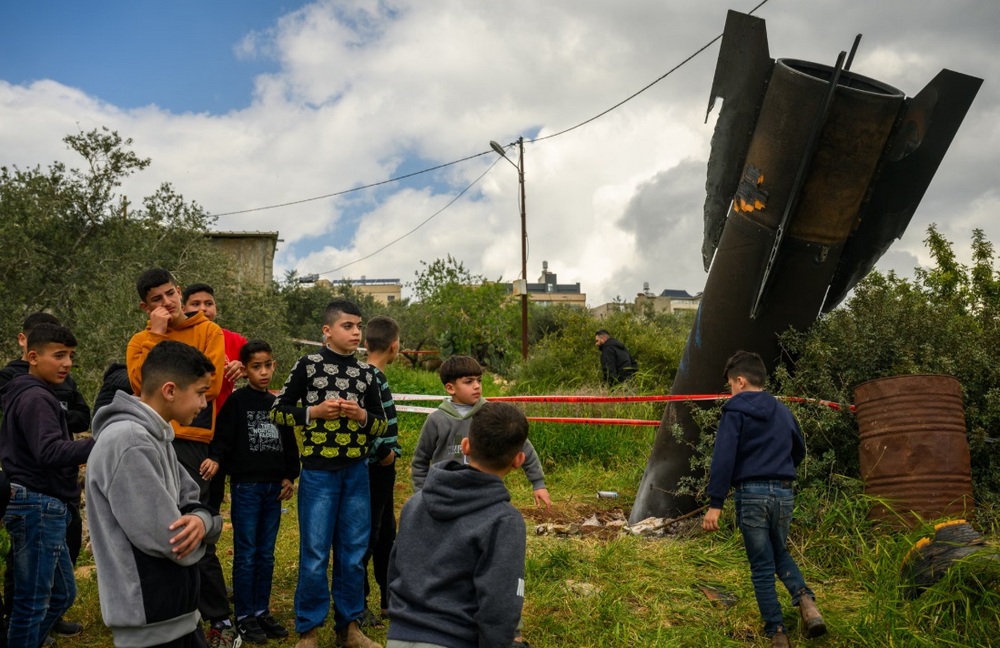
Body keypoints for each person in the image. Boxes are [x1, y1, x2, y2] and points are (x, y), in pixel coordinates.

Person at [125, 268, 239, 647]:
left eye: (171, 294)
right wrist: (157, 337)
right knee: (160, 525)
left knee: (194, 521)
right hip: (153, 434)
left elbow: (211, 382)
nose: (167, 303)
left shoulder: (208, 331)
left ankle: (218, 618)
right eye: (157, 299)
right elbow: (143, 385)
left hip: (191, 438)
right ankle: (171, 609)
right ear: (145, 306)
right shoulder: (140, 340)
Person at [88, 340, 224, 647]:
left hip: (175, 617)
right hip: (150, 624)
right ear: (170, 390)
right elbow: (173, 541)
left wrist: (203, 522)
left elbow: (193, 499)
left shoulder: (156, 436)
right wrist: (206, 527)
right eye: (201, 392)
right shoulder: (130, 441)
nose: (204, 404)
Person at [269, 299, 386, 648]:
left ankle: (349, 628)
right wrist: (315, 412)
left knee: (353, 554)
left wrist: (362, 416)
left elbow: (380, 424)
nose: (355, 332)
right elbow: (278, 412)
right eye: (347, 326)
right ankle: (309, 631)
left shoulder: (367, 374)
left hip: (356, 473)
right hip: (318, 473)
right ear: (327, 331)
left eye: (358, 326)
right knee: (316, 554)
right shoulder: (308, 365)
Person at [702, 350, 826, 648]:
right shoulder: (784, 411)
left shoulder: (735, 411)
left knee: (760, 565)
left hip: (752, 494)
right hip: (784, 492)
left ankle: (777, 632)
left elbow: (723, 458)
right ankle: (806, 601)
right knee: (778, 551)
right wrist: (779, 470)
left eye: (731, 384)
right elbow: (799, 450)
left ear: (741, 381)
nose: (730, 391)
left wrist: (715, 504)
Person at [386, 401, 529, 648]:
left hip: (398, 637)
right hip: (456, 639)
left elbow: (394, 570)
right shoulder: (504, 520)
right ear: (518, 460)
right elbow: (500, 603)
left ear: (465, 446)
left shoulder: (415, 503)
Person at [0, 323, 95, 647]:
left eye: (70, 356)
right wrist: (103, 442)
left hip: (43, 504)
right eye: (58, 355)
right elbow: (49, 451)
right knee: (33, 602)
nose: (67, 363)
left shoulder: (33, 394)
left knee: (62, 594)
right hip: (37, 505)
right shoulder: (37, 398)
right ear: (32, 356)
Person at [209, 341, 298, 644]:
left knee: (266, 554)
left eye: (268, 365)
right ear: (244, 370)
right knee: (246, 553)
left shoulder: (277, 403)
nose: (264, 372)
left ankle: (261, 611)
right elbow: (222, 439)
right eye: (256, 367)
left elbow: (288, 442)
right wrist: (216, 460)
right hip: (246, 487)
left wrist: (289, 475)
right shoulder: (236, 402)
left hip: (274, 488)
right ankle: (244, 616)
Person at [411, 355, 551, 509]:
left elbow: (522, 446)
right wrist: (421, 494)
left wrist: (538, 484)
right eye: (469, 381)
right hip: (445, 495)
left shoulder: (493, 415)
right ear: (450, 388)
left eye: (479, 380)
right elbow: (420, 461)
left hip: (484, 494)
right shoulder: (435, 420)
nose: (477, 386)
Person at [182, 283, 249, 522]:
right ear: (184, 308)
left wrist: (242, 367)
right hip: (186, 429)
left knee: (213, 493)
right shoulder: (179, 337)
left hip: (220, 428)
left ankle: (206, 541)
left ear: (216, 308)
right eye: (196, 304)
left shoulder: (233, 340)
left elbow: (260, 366)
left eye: (208, 304)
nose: (203, 309)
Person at [359, 316, 402, 626]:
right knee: (368, 535)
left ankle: (389, 600)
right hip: (375, 468)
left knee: (387, 532)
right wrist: (384, 453)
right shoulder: (371, 377)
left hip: (383, 469)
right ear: (395, 346)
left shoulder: (373, 375)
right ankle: (358, 603)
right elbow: (368, 424)